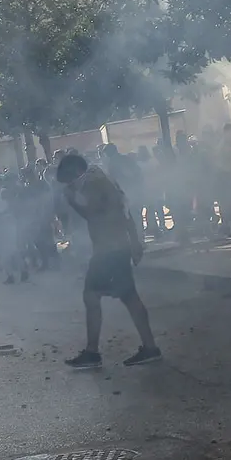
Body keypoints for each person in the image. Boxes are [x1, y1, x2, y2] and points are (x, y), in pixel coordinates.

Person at [56, 154, 162, 369]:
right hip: (115, 248)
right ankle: (149, 348)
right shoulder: (104, 179)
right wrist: (134, 243)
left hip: (109, 251)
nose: (69, 185)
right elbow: (126, 212)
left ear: (76, 172)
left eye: (68, 180)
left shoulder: (93, 183)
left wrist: (71, 200)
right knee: (129, 297)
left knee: (93, 295)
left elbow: (92, 213)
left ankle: (93, 352)